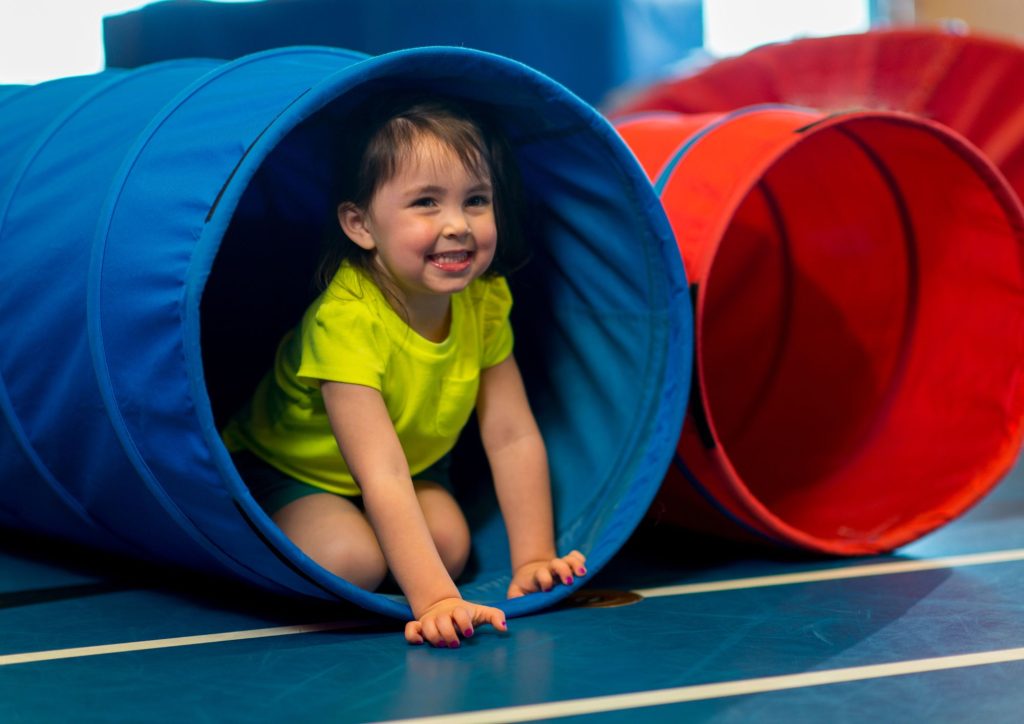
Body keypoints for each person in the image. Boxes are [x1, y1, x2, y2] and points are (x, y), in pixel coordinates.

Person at [223, 93, 586, 647]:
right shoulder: (346, 320)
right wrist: (437, 601)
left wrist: (534, 556)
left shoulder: (484, 300)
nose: (457, 225)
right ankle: (260, 527)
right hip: (293, 469)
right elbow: (380, 473)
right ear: (361, 224)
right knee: (351, 561)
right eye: (425, 203)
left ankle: (390, 543)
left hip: (413, 465)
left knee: (449, 545)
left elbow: (511, 435)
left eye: (476, 200)